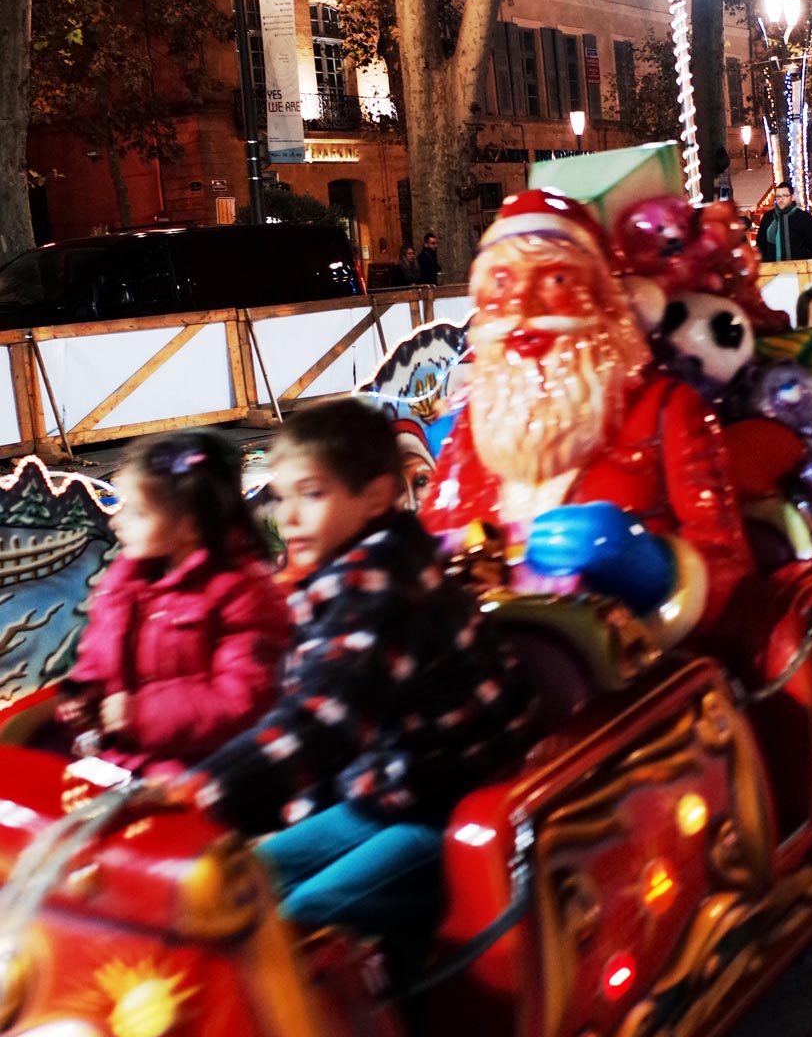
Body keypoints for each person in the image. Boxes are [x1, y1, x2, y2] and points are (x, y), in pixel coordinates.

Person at [172, 398, 537, 931]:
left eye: (312, 495)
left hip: (447, 801)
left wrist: (202, 790)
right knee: (237, 885)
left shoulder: (381, 580)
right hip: (389, 788)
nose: (287, 517)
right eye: (281, 497)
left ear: (375, 497)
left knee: (300, 923)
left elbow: (325, 718)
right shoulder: (343, 571)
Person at [421, 188, 753, 643]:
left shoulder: (669, 411)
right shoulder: (473, 430)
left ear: (603, 300)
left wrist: (657, 569)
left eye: (554, 281)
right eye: (502, 284)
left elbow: (728, 562)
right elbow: (423, 549)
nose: (524, 308)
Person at [56, 430, 290, 777]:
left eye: (136, 512)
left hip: (203, 771)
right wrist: (87, 692)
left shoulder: (245, 592)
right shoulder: (125, 581)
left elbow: (244, 702)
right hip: (124, 758)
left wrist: (138, 714)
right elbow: (99, 652)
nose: (116, 521)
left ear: (190, 525)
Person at [756, 181, 812, 262]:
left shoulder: (803, 218)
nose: (781, 199)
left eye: (785, 196)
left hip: (798, 268)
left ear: (792, 197)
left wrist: (806, 264)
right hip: (773, 268)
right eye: (778, 196)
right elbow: (761, 244)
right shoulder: (768, 217)